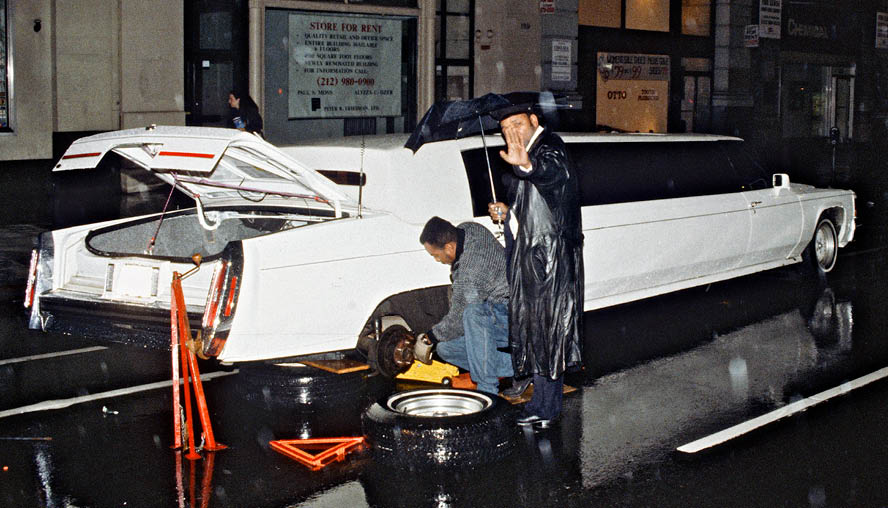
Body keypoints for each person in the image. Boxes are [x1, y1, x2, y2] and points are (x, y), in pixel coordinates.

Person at [487, 101, 584, 428]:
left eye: (516, 124)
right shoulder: (523, 154)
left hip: (550, 259)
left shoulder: (550, 147)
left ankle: (548, 408)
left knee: (549, 331)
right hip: (529, 256)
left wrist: (527, 165)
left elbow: (552, 175)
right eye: (504, 129)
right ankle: (540, 403)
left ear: (533, 119)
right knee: (536, 331)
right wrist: (504, 209)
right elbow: (527, 204)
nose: (510, 132)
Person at [416, 216, 513, 396]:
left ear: (450, 247)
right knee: (446, 348)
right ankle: (522, 367)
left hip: (514, 316)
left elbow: (458, 318)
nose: (437, 260)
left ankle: (487, 393)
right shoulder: (469, 229)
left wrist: (428, 338)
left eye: (436, 255)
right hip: (497, 312)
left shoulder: (471, 271)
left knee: (472, 314)